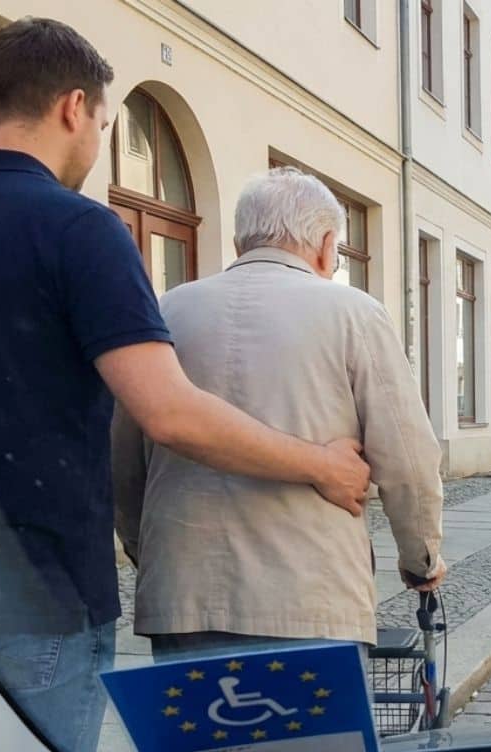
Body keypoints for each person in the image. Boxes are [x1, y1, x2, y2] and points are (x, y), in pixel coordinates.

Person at [0, 19, 370, 752]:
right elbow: (167, 412)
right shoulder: (79, 231)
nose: (97, 142)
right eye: (102, 122)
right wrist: (321, 465)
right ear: (72, 107)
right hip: (39, 604)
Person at [113, 168, 446, 665]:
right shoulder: (353, 313)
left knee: (208, 741)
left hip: (184, 596)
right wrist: (421, 560)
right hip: (311, 594)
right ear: (326, 244)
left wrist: (150, 552)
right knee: (317, 744)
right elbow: (407, 457)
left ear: (238, 240)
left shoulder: (166, 310)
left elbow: (123, 458)